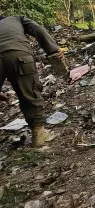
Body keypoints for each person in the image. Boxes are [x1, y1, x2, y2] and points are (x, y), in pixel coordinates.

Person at [0, 15, 65, 147]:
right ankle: (38, 135)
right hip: (19, 54)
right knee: (30, 92)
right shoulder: (16, 19)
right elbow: (38, 29)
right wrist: (53, 50)